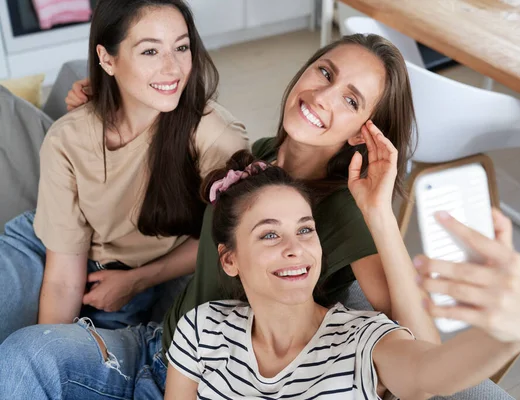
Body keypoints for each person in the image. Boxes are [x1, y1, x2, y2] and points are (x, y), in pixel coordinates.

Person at [0, 33, 441, 398]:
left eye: (350, 100)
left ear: (365, 128)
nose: (322, 96)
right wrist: (121, 99)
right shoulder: (262, 154)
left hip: (210, 382)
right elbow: (217, 247)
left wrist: (380, 212)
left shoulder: (346, 209)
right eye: (324, 72)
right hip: (157, 347)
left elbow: (421, 349)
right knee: (26, 353)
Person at [164, 135, 520, 398]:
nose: (296, 248)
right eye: (269, 235)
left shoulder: (362, 340)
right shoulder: (203, 328)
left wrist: (506, 336)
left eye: (305, 230)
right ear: (229, 260)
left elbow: (429, 377)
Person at [0, 0, 248, 343]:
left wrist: (140, 280)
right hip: (42, 244)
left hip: (126, 277)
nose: (172, 67)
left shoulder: (215, 136)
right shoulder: (67, 137)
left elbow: (230, 238)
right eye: (150, 51)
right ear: (107, 59)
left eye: (181, 47)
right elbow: (62, 276)